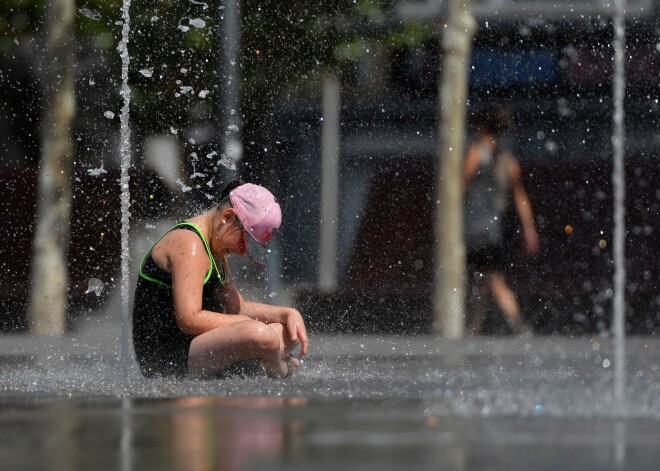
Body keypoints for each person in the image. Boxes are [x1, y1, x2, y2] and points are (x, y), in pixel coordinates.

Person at [132, 180, 308, 379]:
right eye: (244, 241)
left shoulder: (215, 246)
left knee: (288, 332)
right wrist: (249, 326)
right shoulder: (189, 244)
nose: (242, 252)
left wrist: (287, 313)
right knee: (260, 335)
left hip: (199, 347)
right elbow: (188, 319)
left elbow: (236, 307)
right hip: (167, 358)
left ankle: (257, 365)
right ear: (228, 217)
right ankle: (277, 371)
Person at [463, 107, 539, 335]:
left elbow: (459, 184)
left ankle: (517, 323)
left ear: (481, 128)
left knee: (491, 276)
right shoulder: (507, 159)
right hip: (496, 227)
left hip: (477, 225)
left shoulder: (476, 153)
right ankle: (473, 328)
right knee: (481, 278)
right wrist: (529, 229)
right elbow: (519, 196)